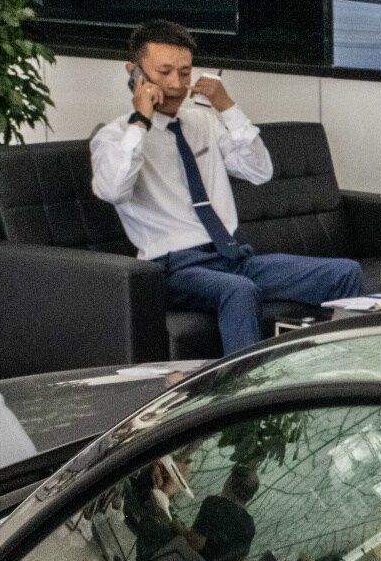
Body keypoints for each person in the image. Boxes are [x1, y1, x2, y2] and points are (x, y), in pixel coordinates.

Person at [90, 19, 364, 354]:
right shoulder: (117, 137)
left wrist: (228, 108)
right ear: (134, 73)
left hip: (233, 255)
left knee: (344, 273)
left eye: (185, 72)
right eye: (164, 72)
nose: (176, 84)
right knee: (238, 291)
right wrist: (141, 122)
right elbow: (112, 190)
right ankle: (246, 394)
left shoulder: (202, 121)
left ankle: (345, 373)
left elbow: (260, 172)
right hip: (173, 267)